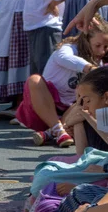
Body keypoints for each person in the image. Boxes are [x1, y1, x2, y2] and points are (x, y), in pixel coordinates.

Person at [15, 18, 108, 149]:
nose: (102, 51)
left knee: (85, 101)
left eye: (106, 47)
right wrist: (89, 68)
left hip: (68, 111)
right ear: (87, 40)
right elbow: (64, 57)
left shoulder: (99, 62)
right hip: (43, 107)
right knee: (34, 80)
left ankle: (53, 132)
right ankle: (58, 131)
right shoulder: (68, 49)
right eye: (98, 45)